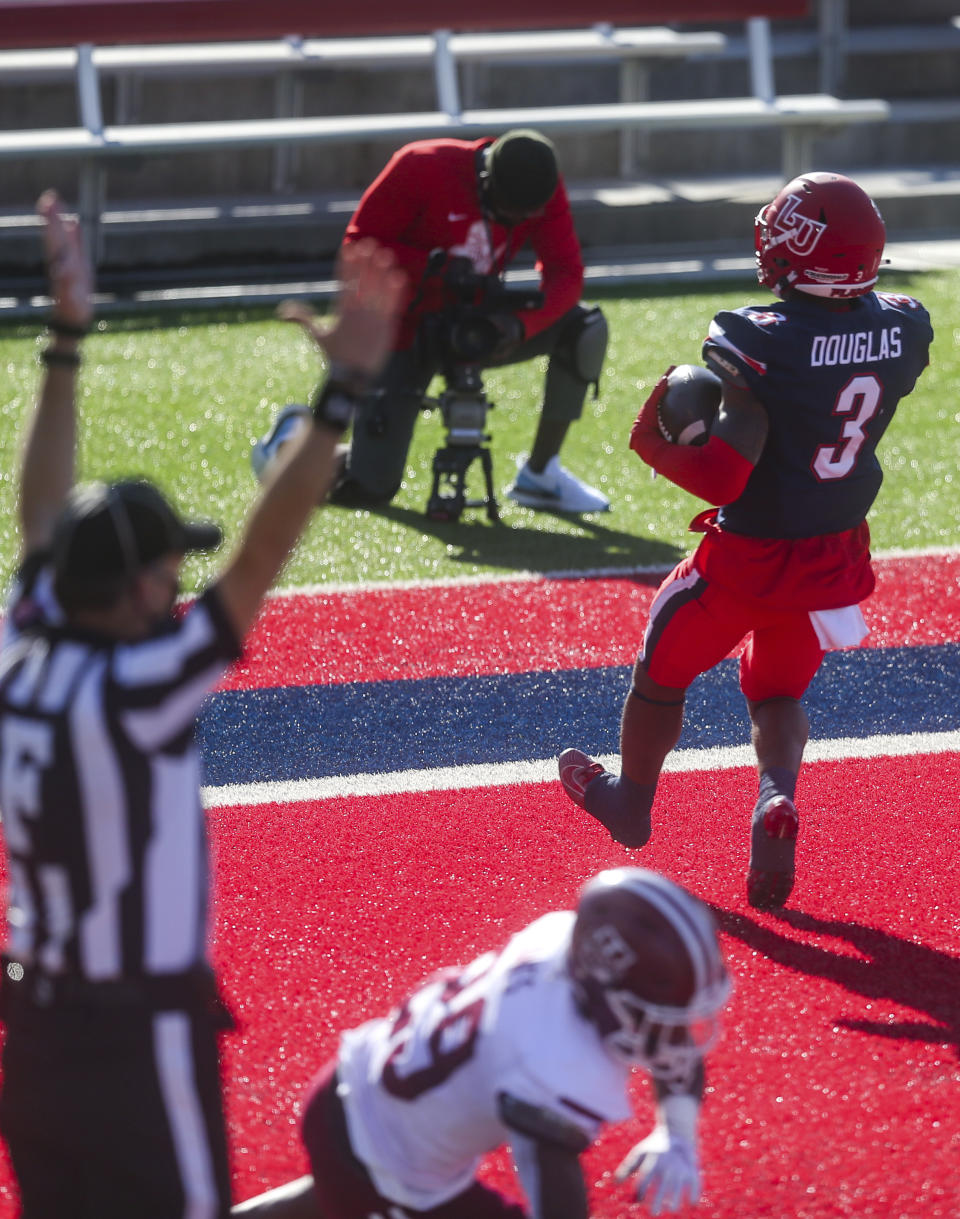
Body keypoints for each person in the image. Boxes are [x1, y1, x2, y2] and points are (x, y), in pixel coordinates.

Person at [0, 192, 405, 1218]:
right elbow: (261, 557)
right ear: (138, 588)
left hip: (33, 1025)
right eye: (170, 567)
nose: (179, 582)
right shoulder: (137, 689)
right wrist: (343, 390)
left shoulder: (21, 656)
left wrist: (67, 336)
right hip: (134, 1032)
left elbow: (38, 519)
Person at [558, 171, 933, 911]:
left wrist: (656, 448)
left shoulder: (755, 336)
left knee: (660, 672)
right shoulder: (907, 326)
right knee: (779, 689)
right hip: (836, 554)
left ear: (809, 250)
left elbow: (726, 477)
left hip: (749, 556)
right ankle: (774, 796)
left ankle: (632, 800)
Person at [231, 867, 731, 1219]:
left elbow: (669, 1042)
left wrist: (677, 1132)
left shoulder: (557, 937)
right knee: (359, 1194)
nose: (680, 1029)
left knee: (341, 1196)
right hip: (382, 1159)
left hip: (349, 1086)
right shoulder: (551, 1065)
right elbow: (556, 1195)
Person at [252, 129, 610, 514]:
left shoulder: (540, 184)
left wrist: (520, 324)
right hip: (405, 329)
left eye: (527, 214)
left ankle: (540, 473)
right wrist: (434, 268)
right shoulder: (422, 165)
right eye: (509, 210)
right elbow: (360, 245)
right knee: (369, 486)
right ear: (487, 181)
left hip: (479, 327)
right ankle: (291, 442)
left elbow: (566, 274)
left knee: (585, 327)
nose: (518, 220)